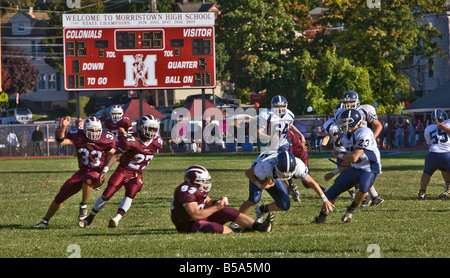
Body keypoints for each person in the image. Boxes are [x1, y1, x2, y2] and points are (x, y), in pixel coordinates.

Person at [79, 114, 163, 228]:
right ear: (141, 127)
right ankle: (90, 217)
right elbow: (116, 156)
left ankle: (117, 218)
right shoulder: (130, 140)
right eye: (150, 129)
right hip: (123, 170)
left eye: (154, 129)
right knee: (107, 195)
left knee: (130, 194)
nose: (152, 132)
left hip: (138, 173)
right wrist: (105, 170)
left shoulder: (157, 141)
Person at [34, 116, 116, 228]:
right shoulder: (78, 135)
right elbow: (61, 142)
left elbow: (116, 155)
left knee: (88, 177)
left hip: (97, 173)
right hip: (82, 171)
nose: (94, 133)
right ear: (85, 129)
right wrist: (63, 128)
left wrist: (107, 169)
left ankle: (83, 207)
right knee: (61, 195)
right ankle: (45, 221)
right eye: (91, 130)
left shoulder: (107, 138)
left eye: (96, 130)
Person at [312, 109, 382, 224]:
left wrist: (338, 154)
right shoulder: (345, 137)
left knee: (364, 188)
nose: (342, 125)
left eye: (346, 122)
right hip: (355, 168)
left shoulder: (364, 132)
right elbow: (349, 162)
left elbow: (354, 157)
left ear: (354, 122)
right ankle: (321, 217)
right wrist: (334, 173)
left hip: (369, 168)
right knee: (332, 192)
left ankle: (351, 209)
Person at [171, 165, 275, 234]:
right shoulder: (186, 191)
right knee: (210, 227)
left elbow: (207, 200)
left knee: (228, 211)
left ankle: (259, 226)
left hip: (200, 217)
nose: (204, 183)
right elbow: (195, 215)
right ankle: (234, 231)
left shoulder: (196, 189)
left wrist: (218, 203)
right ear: (193, 181)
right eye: (202, 180)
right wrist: (216, 207)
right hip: (189, 224)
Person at [238, 151, 334, 223]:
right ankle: (236, 221)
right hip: (258, 173)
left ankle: (262, 209)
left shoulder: (298, 165)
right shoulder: (265, 166)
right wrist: (260, 184)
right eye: (283, 174)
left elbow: (312, 183)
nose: (285, 177)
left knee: (284, 205)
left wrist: (324, 199)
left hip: (273, 175)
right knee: (254, 199)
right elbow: (248, 173)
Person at [341, 91, 384, 206]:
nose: (348, 104)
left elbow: (378, 125)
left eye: (351, 102)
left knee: (359, 170)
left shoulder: (365, 109)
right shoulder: (344, 112)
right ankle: (374, 196)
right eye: (346, 102)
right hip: (352, 142)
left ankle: (367, 196)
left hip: (363, 143)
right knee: (357, 170)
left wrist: (372, 138)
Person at [418, 109, 450, 200]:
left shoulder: (428, 128)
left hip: (433, 154)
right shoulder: (448, 123)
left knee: (427, 173)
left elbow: (429, 144)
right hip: (447, 153)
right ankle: (448, 187)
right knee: (444, 167)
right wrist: (445, 129)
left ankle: (422, 192)